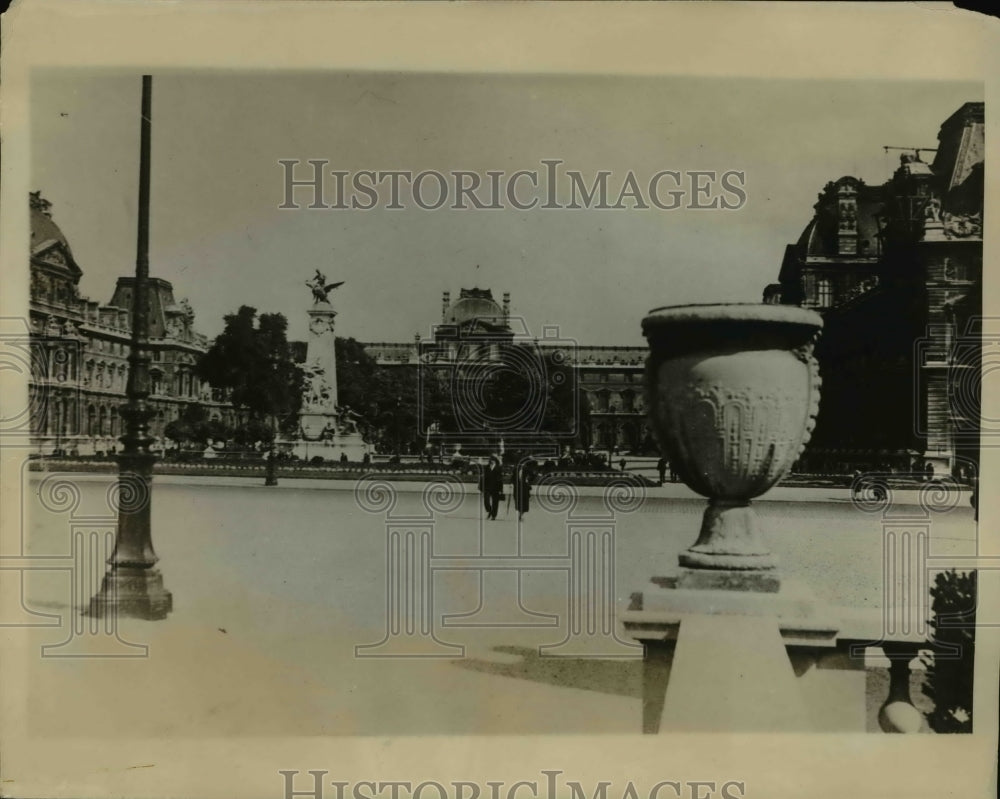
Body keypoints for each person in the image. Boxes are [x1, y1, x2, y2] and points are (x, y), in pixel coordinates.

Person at [479, 455, 504, 521]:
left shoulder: (498, 468)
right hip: (487, 487)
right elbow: (483, 478)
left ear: (495, 461)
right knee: (486, 501)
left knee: (495, 502)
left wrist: (501, 489)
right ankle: (489, 510)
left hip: (496, 487)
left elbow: (500, 479)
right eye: (490, 460)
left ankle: (493, 515)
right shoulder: (487, 467)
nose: (491, 461)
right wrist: (481, 487)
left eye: (492, 460)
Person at [513, 457, 535, 522]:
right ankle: (520, 512)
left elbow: (533, 476)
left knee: (524, 502)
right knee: (518, 501)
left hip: (525, 487)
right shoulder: (516, 469)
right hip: (517, 487)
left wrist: (528, 479)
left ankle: (521, 514)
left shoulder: (528, 469)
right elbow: (513, 477)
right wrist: (512, 484)